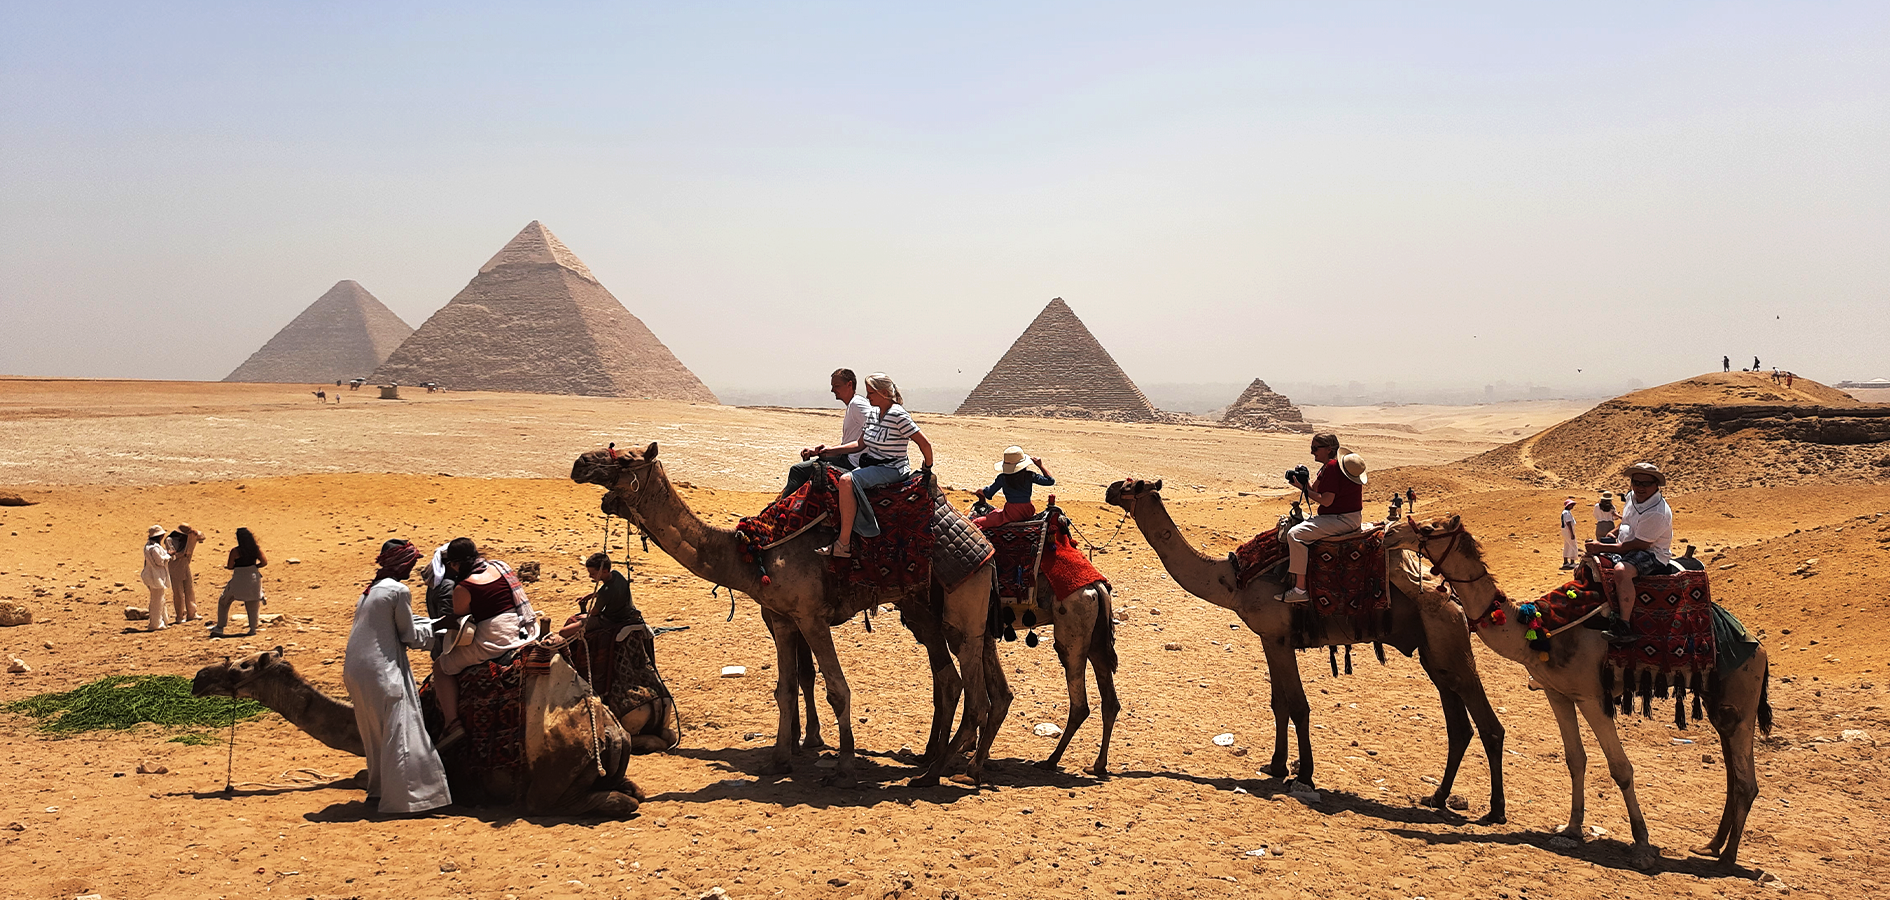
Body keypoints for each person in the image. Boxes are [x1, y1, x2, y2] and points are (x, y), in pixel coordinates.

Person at [343, 539, 451, 815]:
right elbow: (409, 635)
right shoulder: (398, 590)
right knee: (400, 730)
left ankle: (377, 790)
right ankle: (409, 800)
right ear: (401, 563)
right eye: (411, 564)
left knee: (374, 732)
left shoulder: (371, 591)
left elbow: (398, 624)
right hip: (382, 669)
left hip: (356, 669)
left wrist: (434, 623)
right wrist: (441, 630)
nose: (412, 570)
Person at [430, 538, 536, 749]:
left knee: (440, 667)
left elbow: (462, 622)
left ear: (455, 564)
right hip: (521, 631)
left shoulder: (463, 587)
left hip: (494, 641)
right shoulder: (501, 567)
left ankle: (452, 723)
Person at [814, 373, 933, 559]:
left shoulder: (898, 415)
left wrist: (927, 467)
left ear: (884, 393)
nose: (867, 397)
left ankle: (843, 544)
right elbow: (860, 445)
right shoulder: (873, 413)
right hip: (872, 465)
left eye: (871, 393)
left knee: (846, 481)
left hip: (892, 468)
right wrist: (829, 451)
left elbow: (924, 444)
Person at [1584, 462, 1675, 642]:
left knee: (1621, 571)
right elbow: (1627, 521)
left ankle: (1623, 625)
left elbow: (1639, 545)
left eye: (1646, 483)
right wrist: (1614, 532)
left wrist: (1602, 546)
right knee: (1591, 562)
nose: (1640, 487)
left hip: (1652, 553)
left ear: (1656, 486)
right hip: (1627, 543)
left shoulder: (1657, 512)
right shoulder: (1632, 497)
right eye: (1637, 482)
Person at [1282, 433, 1367, 603]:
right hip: (1345, 517)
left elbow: (1326, 501)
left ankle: (1300, 589)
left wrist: (1302, 489)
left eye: (1315, 448)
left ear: (1328, 449)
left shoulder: (1333, 468)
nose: (1312, 452)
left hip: (1342, 519)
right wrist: (1303, 480)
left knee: (1294, 535)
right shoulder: (1329, 467)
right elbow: (1316, 489)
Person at [780, 368, 872, 498]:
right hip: (847, 457)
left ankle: (781, 511)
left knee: (798, 470)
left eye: (837, 386)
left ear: (849, 384)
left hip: (851, 461)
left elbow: (873, 425)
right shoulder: (853, 404)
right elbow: (850, 440)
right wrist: (816, 451)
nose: (833, 390)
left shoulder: (857, 404)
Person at [559, 552, 646, 640]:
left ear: (604, 571)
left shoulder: (605, 592)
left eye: (592, 573)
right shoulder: (616, 574)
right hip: (625, 613)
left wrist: (583, 612)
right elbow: (610, 592)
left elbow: (594, 612)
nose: (590, 576)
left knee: (563, 632)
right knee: (574, 620)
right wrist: (592, 595)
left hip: (609, 620)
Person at [972, 447, 1055, 529]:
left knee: (976, 522)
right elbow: (1050, 481)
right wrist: (1040, 465)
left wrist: (981, 491)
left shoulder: (1003, 478)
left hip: (1011, 514)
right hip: (1028, 511)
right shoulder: (1029, 475)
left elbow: (989, 493)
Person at [210, 527, 267, 637]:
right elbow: (264, 562)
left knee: (224, 601)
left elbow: (230, 566)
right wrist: (254, 567)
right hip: (254, 578)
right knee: (253, 605)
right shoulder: (256, 549)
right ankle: (253, 629)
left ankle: (220, 626)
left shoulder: (236, 551)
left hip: (239, 578)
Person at [165, 523, 205, 624]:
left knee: (189, 589)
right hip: (175, 567)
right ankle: (179, 616)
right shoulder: (170, 540)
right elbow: (172, 555)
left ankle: (192, 613)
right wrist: (183, 553)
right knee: (178, 592)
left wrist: (194, 533)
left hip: (185, 565)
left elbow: (202, 537)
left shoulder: (188, 537)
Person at [140, 525, 172, 631]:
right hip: (155, 577)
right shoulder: (154, 548)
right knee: (157, 601)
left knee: (159, 599)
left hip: (151, 575)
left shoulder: (149, 546)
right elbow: (159, 561)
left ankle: (163, 620)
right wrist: (168, 556)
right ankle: (156, 623)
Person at [1559, 498, 1579, 570]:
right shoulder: (1567, 513)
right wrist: (1572, 533)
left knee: (1567, 545)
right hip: (1568, 531)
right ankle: (1572, 562)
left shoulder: (1564, 512)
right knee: (1573, 545)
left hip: (1564, 531)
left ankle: (1566, 562)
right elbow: (1568, 523)